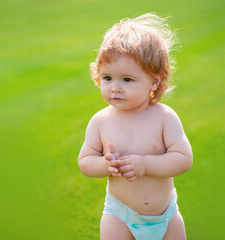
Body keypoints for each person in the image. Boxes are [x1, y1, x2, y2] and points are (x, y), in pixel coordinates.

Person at [78, 13, 193, 240]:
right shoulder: (100, 121)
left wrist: (145, 164)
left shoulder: (164, 117)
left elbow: (183, 158)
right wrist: (104, 165)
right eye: (108, 78)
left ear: (154, 81)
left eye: (127, 80)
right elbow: (85, 161)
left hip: (166, 216)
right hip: (120, 216)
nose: (115, 88)